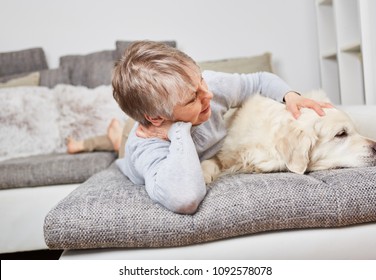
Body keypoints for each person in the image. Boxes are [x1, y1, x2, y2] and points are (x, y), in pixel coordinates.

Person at [85, 41, 332, 215]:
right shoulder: (147, 148)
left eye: (200, 78)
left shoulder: (206, 87)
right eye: (193, 98)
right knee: (123, 147)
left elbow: (258, 80)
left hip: (158, 120)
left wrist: (289, 95)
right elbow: (184, 197)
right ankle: (118, 138)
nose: (209, 95)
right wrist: (178, 131)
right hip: (134, 147)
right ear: (158, 119)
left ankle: (116, 134)